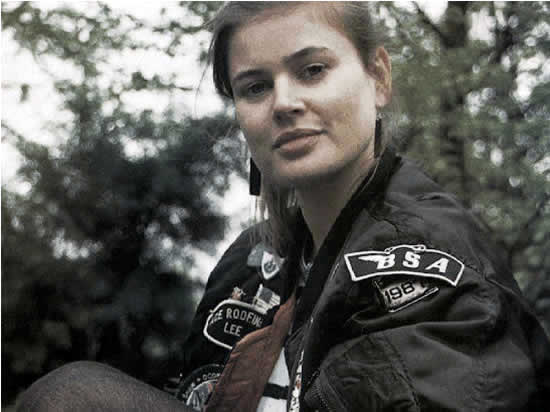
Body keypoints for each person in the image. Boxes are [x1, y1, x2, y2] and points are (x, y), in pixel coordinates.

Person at [17, 2, 550, 412]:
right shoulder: (246, 265)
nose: (285, 103)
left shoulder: (427, 250)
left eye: (313, 70)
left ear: (378, 78)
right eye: (255, 87)